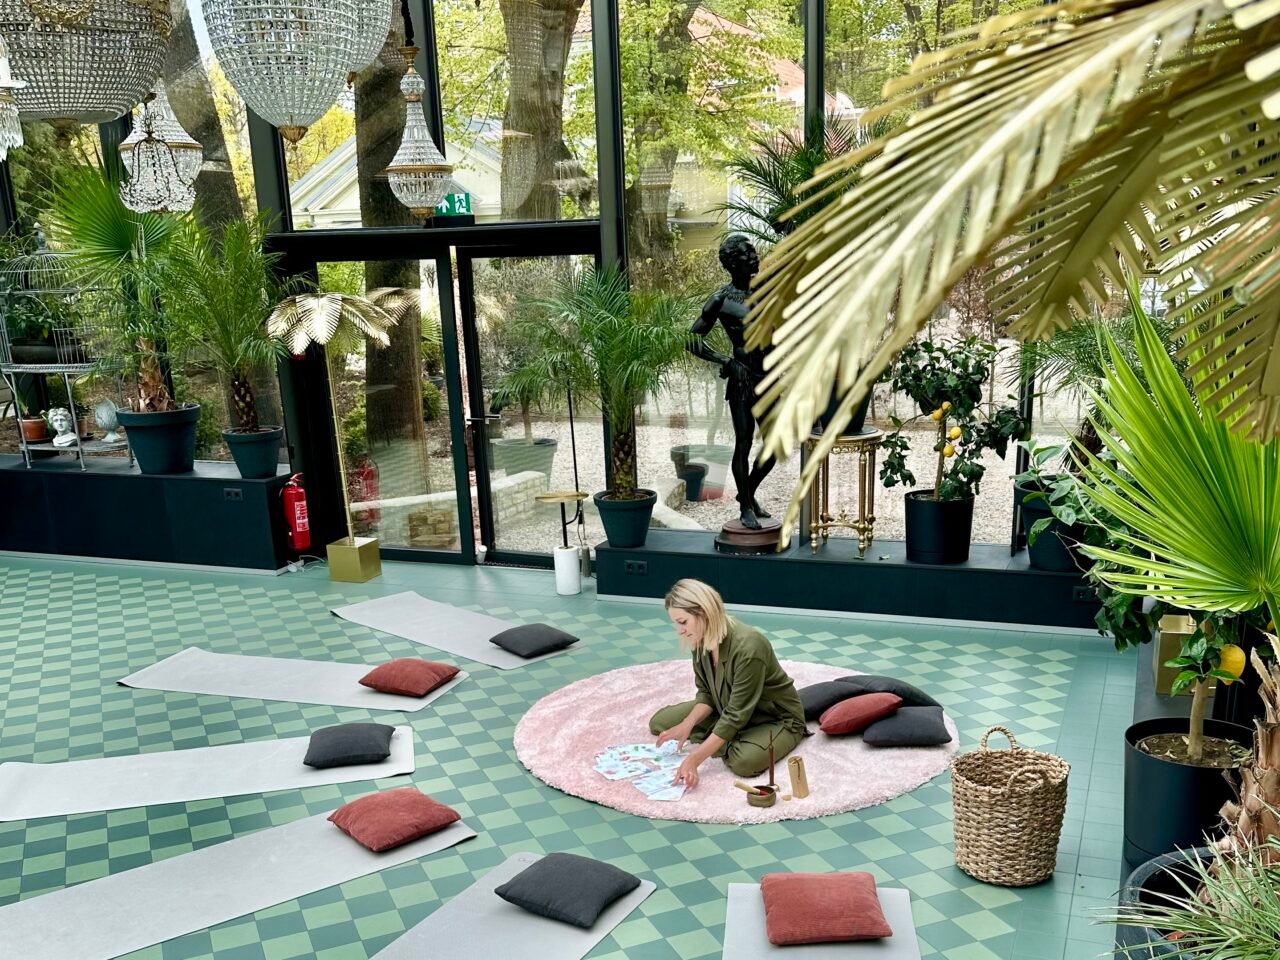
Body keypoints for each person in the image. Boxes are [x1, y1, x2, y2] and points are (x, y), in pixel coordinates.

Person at [649, 579, 807, 789]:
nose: (680, 631)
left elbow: (735, 715)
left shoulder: (749, 646)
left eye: (683, 622)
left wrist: (695, 758)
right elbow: (706, 693)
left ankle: (725, 736)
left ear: (703, 612)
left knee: (743, 762)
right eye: (676, 623)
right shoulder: (701, 639)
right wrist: (687, 723)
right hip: (725, 706)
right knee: (659, 723)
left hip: (774, 718)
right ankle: (722, 735)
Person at [687, 234, 776, 530]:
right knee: (744, 441)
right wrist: (725, 361)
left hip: (769, 377)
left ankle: (745, 493)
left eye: (753, 251)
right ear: (734, 263)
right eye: (748, 254)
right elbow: (691, 339)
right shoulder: (721, 300)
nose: (755, 257)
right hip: (742, 379)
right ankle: (746, 506)